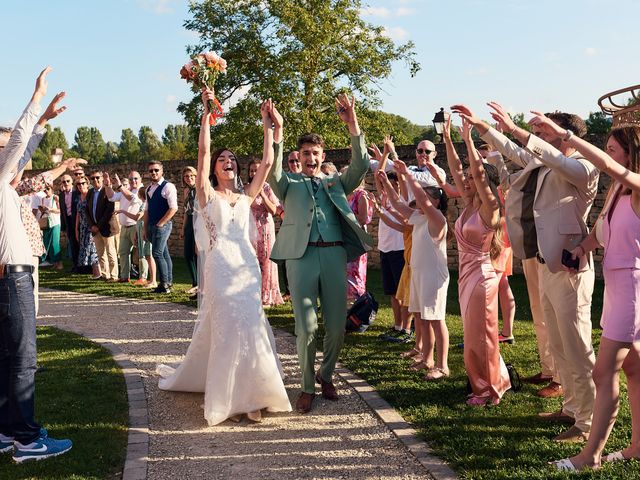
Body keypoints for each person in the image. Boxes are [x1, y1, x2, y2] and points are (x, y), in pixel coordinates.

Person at [460, 102, 598, 441]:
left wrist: (517, 129)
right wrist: (485, 128)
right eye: (538, 132)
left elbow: (544, 154)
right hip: (545, 260)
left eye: (545, 132)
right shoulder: (547, 162)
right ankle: (570, 407)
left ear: (568, 136)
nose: (537, 137)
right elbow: (515, 152)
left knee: (577, 345)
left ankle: (588, 423)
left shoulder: (585, 166)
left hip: (569, 266)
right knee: (559, 342)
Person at [158, 92, 291, 424]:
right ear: (215, 169)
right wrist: (205, 117)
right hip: (219, 267)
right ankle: (229, 397)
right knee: (229, 329)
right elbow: (202, 152)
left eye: (232, 158)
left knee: (252, 326)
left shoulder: (247, 194)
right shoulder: (206, 194)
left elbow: (270, 162)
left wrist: (270, 127)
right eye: (223, 159)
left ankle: (255, 395)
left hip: (247, 266)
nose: (228, 161)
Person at [526, 104, 640, 470]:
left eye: (613, 148)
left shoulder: (636, 185)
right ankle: (637, 446)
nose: (607, 153)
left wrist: (565, 136)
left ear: (631, 155)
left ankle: (590, 455)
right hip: (617, 288)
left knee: (603, 372)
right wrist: (581, 248)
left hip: (633, 289)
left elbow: (607, 167)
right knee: (635, 371)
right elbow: (600, 233)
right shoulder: (618, 192)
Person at [267, 93, 374, 413]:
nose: (311, 158)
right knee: (306, 326)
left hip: (333, 257)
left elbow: (361, 165)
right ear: (298, 157)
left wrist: (352, 124)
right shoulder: (288, 184)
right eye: (305, 153)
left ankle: (326, 374)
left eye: (315, 153)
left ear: (322, 154)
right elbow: (271, 171)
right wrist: (276, 131)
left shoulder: (337, 183)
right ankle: (306, 386)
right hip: (300, 260)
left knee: (338, 325)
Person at [0, 66, 72, 462]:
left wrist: (42, 122)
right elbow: (16, 148)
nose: (9, 155)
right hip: (11, 278)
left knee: (7, 357)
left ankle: (7, 428)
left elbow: (21, 153)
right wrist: (37, 97)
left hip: (8, 276)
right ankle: (27, 440)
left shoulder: (4, 185)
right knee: (23, 359)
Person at [444, 112, 511, 406]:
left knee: (481, 336)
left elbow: (477, 172)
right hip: (467, 276)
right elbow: (457, 169)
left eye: (474, 178)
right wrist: (447, 139)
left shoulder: (491, 208)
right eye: (467, 178)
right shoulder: (469, 203)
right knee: (473, 336)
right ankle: (485, 381)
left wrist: (470, 140)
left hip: (482, 277)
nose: (468, 180)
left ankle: (488, 390)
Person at [378, 163, 451, 381]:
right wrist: (386, 185)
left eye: (424, 198)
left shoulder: (438, 219)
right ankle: (427, 358)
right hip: (419, 276)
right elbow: (399, 205)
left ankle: (442, 365)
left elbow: (420, 199)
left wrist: (407, 175)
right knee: (421, 317)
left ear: (435, 202)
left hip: (434, 278)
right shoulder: (419, 218)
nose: (418, 201)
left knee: (436, 320)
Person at [248, 158, 283, 307]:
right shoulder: (246, 188)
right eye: (252, 170)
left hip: (265, 229)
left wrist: (262, 194)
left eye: (257, 170)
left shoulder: (268, 188)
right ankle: (252, 293)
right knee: (251, 262)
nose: (254, 173)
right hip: (250, 229)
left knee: (266, 261)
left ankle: (267, 295)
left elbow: (275, 210)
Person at [143, 160, 178, 293]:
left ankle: (164, 284)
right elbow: (146, 210)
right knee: (164, 253)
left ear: (162, 171)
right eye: (151, 170)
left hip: (162, 226)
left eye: (156, 170)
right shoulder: (148, 189)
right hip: (152, 225)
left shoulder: (168, 186)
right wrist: (145, 228)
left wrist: (161, 223)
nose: (154, 172)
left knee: (156, 253)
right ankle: (168, 283)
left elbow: (173, 208)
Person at [105, 172, 142, 283]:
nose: (133, 181)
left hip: (136, 226)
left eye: (135, 178)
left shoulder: (141, 190)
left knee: (140, 254)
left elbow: (131, 198)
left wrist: (120, 186)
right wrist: (107, 185)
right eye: (131, 179)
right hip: (124, 227)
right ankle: (125, 276)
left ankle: (143, 277)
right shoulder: (126, 190)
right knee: (123, 252)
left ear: (140, 179)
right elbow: (111, 197)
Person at [86, 170, 118, 281]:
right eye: (93, 178)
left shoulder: (107, 191)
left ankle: (113, 276)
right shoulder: (90, 193)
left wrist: (98, 226)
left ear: (102, 178)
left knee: (110, 252)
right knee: (100, 253)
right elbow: (86, 210)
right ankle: (105, 274)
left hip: (107, 227)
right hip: (95, 228)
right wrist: (92, 225)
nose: (95, 180)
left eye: (97, 177)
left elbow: (109, 211)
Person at [345, 172, 373, 301]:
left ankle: (357, 307)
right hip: (345, 238)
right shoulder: (344, 195)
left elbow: (363, 218)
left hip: (357, 240)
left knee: (355, 274)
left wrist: (345, 214)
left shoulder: (361, 195)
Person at [75, 176, 100, 278]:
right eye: (78, 184)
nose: (81, 186)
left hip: (91, 226)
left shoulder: (91, 195)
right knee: (85, 249)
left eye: (83, 183)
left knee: (93, 249)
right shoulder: (79, 197)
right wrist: (76, 228)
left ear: (87, 184)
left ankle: (98, 273)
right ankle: (94, 273)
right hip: (83, 227)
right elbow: (78, 214)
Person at [180, 167, 198, 295]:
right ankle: (195, 282)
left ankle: (199, 284)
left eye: (191, 175)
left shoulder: (201, 189)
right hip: (190, 221)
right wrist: (182, 228)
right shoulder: (186, 191)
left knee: (198, 254)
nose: (189, 178)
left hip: (200, 221)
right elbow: (186, 211)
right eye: (186, 176)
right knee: (188, 254)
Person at [38, 184, 62, 269]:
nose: (46, 191)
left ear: (52, 189)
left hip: (55, 222)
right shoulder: (43, 199)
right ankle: (52, 262)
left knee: (55, 243)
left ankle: (59, 263)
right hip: (46, 223)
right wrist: (42, 210)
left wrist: (50, 209)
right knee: (47, 242)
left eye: (48, 189)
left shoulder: (55, 198)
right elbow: (42, 211)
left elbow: (60, 210)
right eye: (44, 189)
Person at [58, 174, 79, 271]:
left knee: (79, 243)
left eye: (68, 181)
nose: (66, 183)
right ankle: (75, 265)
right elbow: (62, 211)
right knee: (72, 243)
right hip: (68, 221)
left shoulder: (77, 192)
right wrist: (63, 227)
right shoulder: (61, 195)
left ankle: (83, 265)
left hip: (78, 221)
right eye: (63, 181)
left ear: (71, 182)